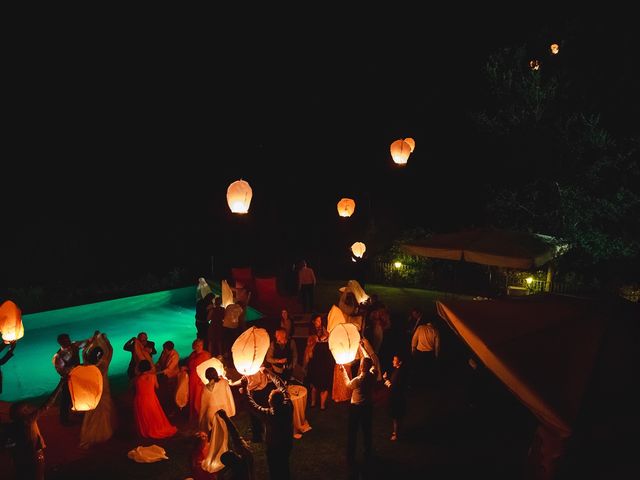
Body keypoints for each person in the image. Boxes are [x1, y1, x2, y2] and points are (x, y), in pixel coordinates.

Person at [3, 378, 65, 480]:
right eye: (26, 408)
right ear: (22, 413)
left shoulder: (10, 427)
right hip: (34, 456)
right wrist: (60, 384)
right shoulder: (28, 420)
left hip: (19, 459)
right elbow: (47, 405)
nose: (30, 409)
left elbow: (8, 445)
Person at [243, 368, 293, 480]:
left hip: (274, 447)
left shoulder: (269, 415)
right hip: (287, 442)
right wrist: (269, 373)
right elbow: (281, 385)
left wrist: (245, 387)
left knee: (274, 469)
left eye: (269, 397)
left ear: (270, 402)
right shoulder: (288, 405)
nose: (268, 398)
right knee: (284, 465)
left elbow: (252, 405)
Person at [79, 331, 117, 448]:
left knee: (91, 413)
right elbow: (110, 351)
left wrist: (90, 342)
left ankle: (90, 436)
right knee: (103, 411)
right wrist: (106, 341)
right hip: (103, 389)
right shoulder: (104, 365)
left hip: (92, 392)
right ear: (101, 355)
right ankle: (103, 433)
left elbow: (84, 354)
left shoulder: (87, 365)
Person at [341, 352, 377, 468]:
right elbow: (372, 364)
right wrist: (363, 350)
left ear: (362, 367)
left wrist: (344, 372)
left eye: (361, 363)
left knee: (352, 432)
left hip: (356, 408)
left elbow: (348, 384)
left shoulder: (359, 380)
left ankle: (350, 456)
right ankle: (368, 452)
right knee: (367, 430)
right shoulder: (373, 375)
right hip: (368, 407)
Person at [199, 367, 236, 473]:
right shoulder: (223, 383)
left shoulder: (206, 388)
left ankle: (216, 453)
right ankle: (224, 454)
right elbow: (228, 396)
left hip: (211, 413)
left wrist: (201, 419)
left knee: (215, 435)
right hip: (221, 412)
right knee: (223, 434)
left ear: (206, 376)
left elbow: (203, 405)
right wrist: (231, 410)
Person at [132, 359, 177, 439]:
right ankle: (156, 428)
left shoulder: (136, 379)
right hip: (151, 398)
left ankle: (146, 430)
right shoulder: (153, 376)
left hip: (140, 399)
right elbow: (157, 386)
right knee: (154, 414)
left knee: (144, 416)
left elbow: (135, 388)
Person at [53, 332, 89, 426]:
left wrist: (96, 336)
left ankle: (78, 411)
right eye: (65, 341)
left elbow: (86, 342)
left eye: (68, 339)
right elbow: (62, 371)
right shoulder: (58, 357)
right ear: (60, 343)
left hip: (77, 376)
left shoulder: (74, 345)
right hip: (67, 379)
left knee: (80, 394)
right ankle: (64, 420)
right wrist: (76, 367)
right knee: (66, 399)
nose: (68, 342)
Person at [229, 367, 272, 442]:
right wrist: (232, 383)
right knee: (256, 415)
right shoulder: (249, 366)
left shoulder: (255, 368)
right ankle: (259, 432)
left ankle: (258, 437)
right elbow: (245, 379)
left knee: (255, 414)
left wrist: (245, 389)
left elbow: (256, 381)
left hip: (260, 394)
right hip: (257, 393)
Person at [304, 315, 334, 410]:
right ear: (313, 321)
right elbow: (313, 341)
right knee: (314, 383)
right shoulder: (312, 331)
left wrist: (326, 336)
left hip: (325, 359)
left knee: (324, 383)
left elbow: (328, 336)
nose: (319, 322)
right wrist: (321, 338)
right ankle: (313, 403)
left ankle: (322, 405)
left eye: (320, 320)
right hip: (315, 359)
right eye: (317, 320)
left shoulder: (324, 329)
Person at [218, 408, 256, 480]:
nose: (236, 453)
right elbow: (235, 435)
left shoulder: (234, 474)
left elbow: (235, 435)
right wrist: (225, 417)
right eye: (233, 454)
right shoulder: (246, 460)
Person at [383, 353, 408, 441]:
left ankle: (397, 435)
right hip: (399, 398)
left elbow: (393, 388)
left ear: (400, 362)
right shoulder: (398, 371)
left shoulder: (399, 373)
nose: (392, 361)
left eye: (395, 360)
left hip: (396, 399)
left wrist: (386, 380)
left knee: (396, 418)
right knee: (398, 417)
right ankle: (398, 431)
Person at [410, 314, 440, 387]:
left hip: (419, 353)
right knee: (427, 371)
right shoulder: (435, 331)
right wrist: (436, 355)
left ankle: (417, 385)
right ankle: (426, 386)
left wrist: (413, 349)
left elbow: (414, 339)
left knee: (418, 370)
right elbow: (437, 346)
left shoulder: (420, 328)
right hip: (429, 354)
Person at [188, 338, 212, 420]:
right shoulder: (192, 354)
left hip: (200, 379)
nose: (198, 347)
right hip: (192, 378)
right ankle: (193, 415)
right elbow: (190, 366)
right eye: (197, 345)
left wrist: (204, 379)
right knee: (192, 396)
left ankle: (201, 415)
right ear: (194, 346)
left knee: (199, 397)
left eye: (200, 345)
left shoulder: (206, 355)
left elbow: (209, 368)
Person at [155, 340, 180, 415]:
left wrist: (155, 373)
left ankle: (173, 410)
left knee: (171, 393)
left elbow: (169, 369)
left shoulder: (175, 356)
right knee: (165, 392)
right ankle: (165, 408)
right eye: (163, 349)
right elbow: (159, 361)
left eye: (164, 349)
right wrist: (154, 366)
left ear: (170, 349)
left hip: (172, 376)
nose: (163, 350)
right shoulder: (164, 352)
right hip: (164, 375)